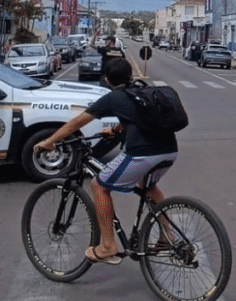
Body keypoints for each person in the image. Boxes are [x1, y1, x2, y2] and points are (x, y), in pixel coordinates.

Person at [33, 58, 178, 263]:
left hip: (142, 153)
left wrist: (49, 141)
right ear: (130, 76)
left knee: (99, 185)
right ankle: (167, 235)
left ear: (107, 79)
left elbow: (77, 123)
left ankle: (108, 245)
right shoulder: (139, 91)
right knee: (148, 185)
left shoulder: (113, 97)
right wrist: (115, 130)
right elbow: (134, 116)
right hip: (169, 150)